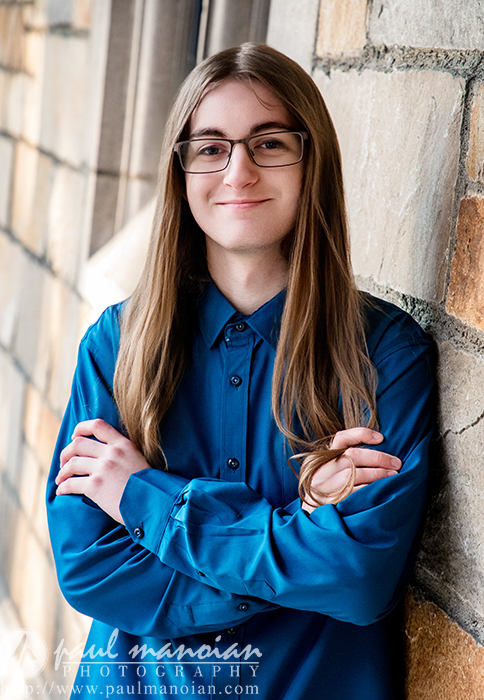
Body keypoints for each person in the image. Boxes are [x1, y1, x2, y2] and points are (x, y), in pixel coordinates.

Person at [46, 43, 434, 699]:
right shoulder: (117, 347)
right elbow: (88, 569)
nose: (239, 171)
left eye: (269, 143)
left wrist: (144, 499)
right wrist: (298, 528)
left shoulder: (383, 355)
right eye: (210, 147)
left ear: (312, 162)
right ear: (182, 172)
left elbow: (358, 580)